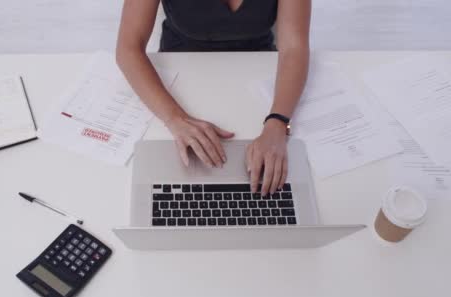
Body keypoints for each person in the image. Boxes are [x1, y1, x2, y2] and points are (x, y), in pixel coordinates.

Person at [116, 0, 311, 195]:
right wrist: (174, 118)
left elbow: (294, 48)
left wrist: (278, 123)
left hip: (258, 83)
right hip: (177, 83)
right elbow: (128, 48)